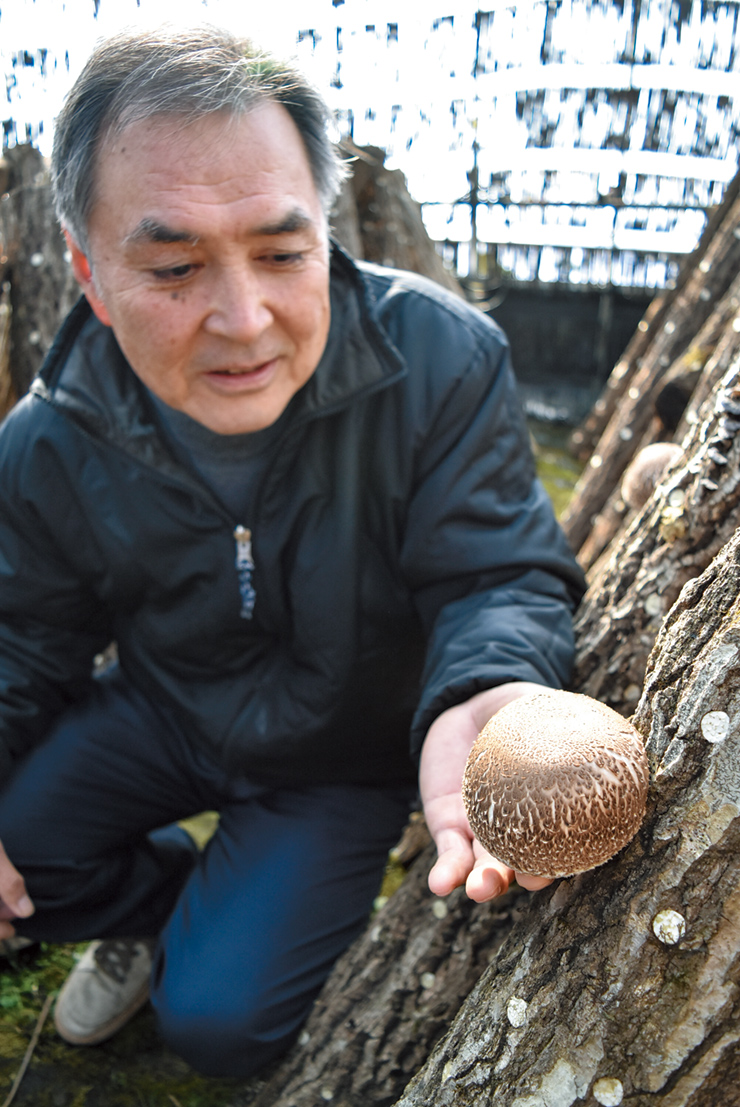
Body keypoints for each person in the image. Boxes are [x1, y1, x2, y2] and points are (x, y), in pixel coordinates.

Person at [0, 26, 584, 1078]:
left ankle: (236, 920)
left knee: (219, 1027)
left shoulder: (440, 360)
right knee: (25, 846)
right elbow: (22, 640)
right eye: (174, 266)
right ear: (89, 277)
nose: (243, 317)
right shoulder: (45, 445)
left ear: (326, 228)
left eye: (280, 252)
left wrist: (487, 687)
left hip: (340, 752)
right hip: (168, 709)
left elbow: (492, 572)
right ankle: (171, 907)